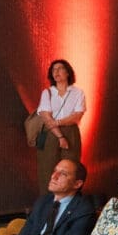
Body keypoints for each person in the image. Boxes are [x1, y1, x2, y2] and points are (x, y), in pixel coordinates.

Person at [31, 58, 87, 192]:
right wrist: (60, 136)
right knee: (47, 169)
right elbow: (46, 116)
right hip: (50, 133)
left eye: (60, 68)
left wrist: (59, 122)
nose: (56, 72)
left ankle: (69, 201)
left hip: (71, 132)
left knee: (71, 168)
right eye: (53, 70)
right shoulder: (47, 92)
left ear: (68, 72)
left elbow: (77, 116)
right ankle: (47, 201)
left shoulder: (78, 92)